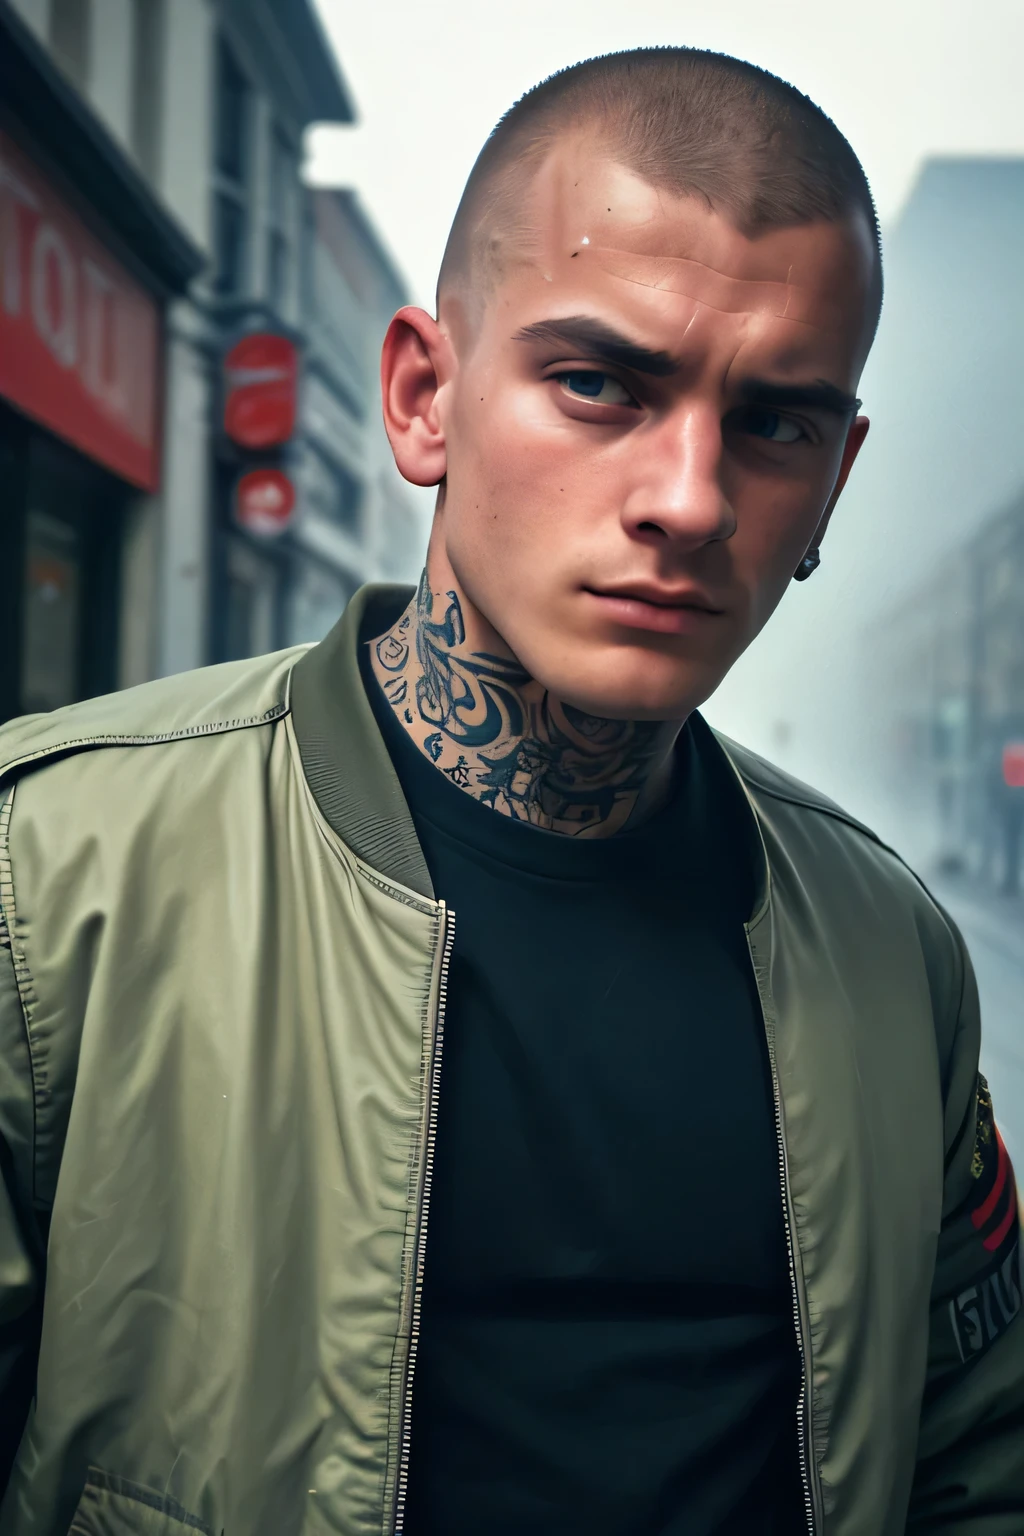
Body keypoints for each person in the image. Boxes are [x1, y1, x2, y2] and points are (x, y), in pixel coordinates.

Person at [0, 46, 1021, 1536]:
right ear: (425, 398)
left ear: (836, 485)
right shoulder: (44, 887)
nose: (688, 498)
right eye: (599, 383)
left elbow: (976, 1469)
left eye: (775, 422)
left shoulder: (895, 957)